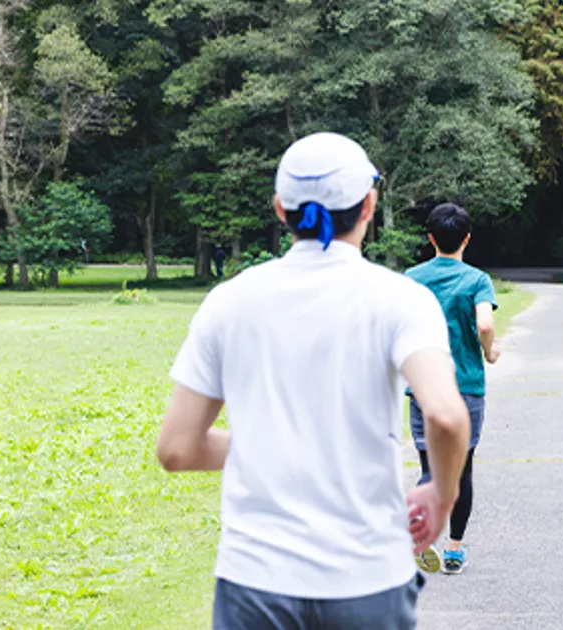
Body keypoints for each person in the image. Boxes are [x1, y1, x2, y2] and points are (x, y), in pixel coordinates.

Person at [156, 132, 470, 629]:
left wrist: (274, 445)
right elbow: (447, 417)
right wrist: (442, 494)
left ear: (281, 209)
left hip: (255, 581)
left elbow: (176, 448)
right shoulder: (400, 299)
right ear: (369, 203)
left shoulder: (229, 301)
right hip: (367, 579)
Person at [404, 203, 500, 575]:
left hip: (424, 385)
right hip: (466, 387)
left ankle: (414, 532)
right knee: (462, 470)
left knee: (430, 468)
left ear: (430, 238)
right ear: (467, 239)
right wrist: (489, 350)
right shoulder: (477, 280)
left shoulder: (412, 278)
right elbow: (486, 324)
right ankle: (455, 549)